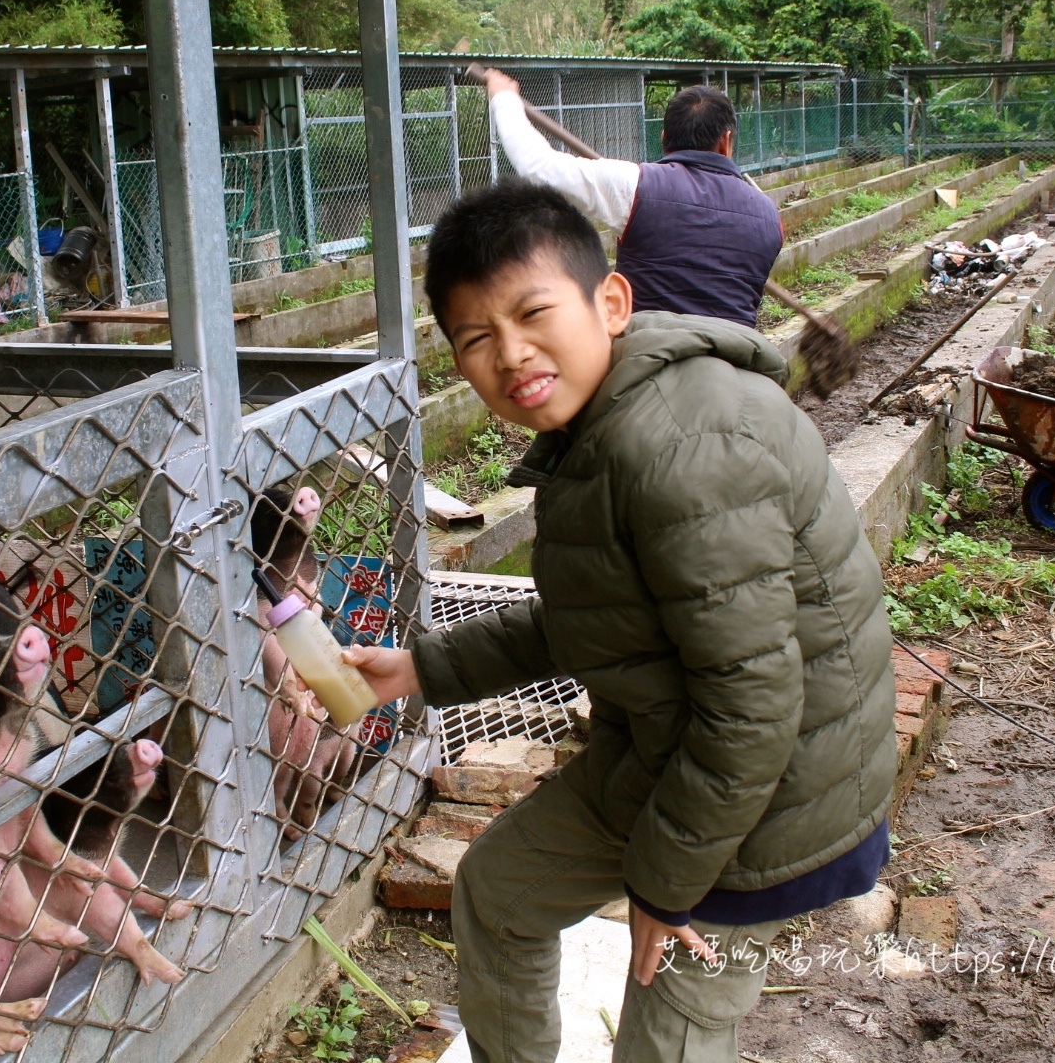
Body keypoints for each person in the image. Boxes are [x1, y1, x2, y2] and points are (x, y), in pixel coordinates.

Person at [344, 180, 895, 1063]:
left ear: (611, 302)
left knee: (666, 1027)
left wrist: (664, 889)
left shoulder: (683, 451)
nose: (512, 354)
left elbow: (754, 709)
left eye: (533, 314)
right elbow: (594, 617)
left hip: (771, 802)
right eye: (477, 339)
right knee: (498, 893)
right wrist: (418, 669)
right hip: (673, 758)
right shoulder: (599, 431)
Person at [481, 68, 781, 328]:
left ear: (664, 138)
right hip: (734, 367)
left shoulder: (636, 186)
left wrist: (504, 98)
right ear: (726, 142)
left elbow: (540, 167)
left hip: (648, 363)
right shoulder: (769, 217)